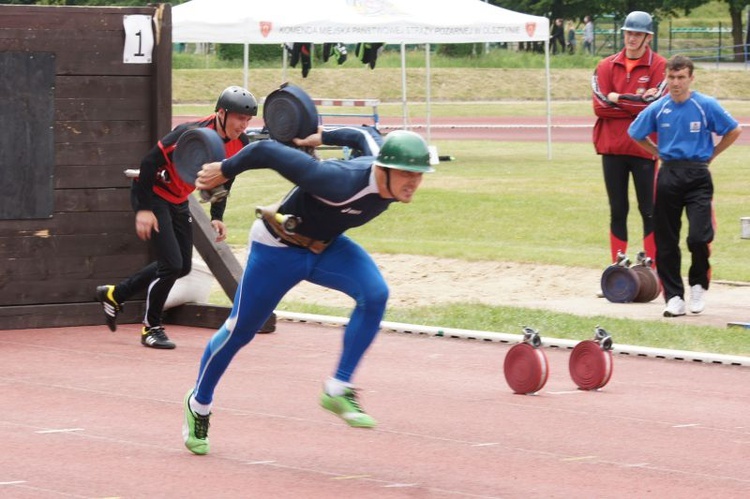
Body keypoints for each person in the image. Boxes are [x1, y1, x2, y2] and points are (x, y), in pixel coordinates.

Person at [181, 126, 435, 455]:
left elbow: (362, 136)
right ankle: (199, 402)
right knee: (240, 331)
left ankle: (338, 388)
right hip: (276, 248)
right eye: (405, 173)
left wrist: (321, 135)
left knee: (375, 294)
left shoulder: (382, 162)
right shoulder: (336, 181)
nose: (413, 182)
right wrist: (224, 169)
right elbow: (265, 151)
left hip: (326, 249)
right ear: (383, 169)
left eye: (418, 174)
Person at [95, 86, 258, 349]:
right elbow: (148, 163)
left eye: (248, 120)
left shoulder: (241, 144)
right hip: (154, 194)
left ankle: (115, 294)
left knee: (180, 266)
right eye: (239, 117)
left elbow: (225, 179)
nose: (243, 125)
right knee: (171, 264)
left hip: (180, 199)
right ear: (221, 113)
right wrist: (144, 209)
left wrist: (217, 215)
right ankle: (151, 328)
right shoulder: (188, 134)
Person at [628, 55, 742, 317]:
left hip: (698, 176)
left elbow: (733, 130)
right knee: (666, 240)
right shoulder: (660, 107)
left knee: (699, 236)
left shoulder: (705, 105)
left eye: (681, 78)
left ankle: (698, 284)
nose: (676, 83)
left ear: (691, 78)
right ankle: (674, 296)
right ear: (666, 78)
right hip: (669, 174)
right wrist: (657, 151)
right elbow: (635, 132)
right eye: (671, 78)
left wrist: (712, 154)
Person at [591, 11, 667, 268]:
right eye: (628, 32)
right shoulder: (605, 65)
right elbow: (600, 107)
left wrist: (617, 97)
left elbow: (653, 107)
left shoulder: (659, 66)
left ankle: (652, 268)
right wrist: (636, 101)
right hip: (612, 148)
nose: (631, 38)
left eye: (637, 34)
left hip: (645, 150)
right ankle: (617, 266)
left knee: (649, 210)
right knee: (617, 209)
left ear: (648, 37)